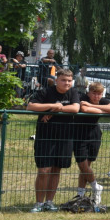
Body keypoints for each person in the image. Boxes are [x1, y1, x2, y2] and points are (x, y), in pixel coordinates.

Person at [27, 68, 81, 212]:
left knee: (56, 170)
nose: (66, 83)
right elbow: (31, 106)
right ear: (56, 80)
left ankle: (49, 202)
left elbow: (76, 108)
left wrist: (57, 110)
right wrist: (52, 106)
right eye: (63, 80)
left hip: (65, 137)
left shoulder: (74, 92)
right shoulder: (46, 92)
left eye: (69, 81)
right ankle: (39, 203)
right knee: (44, 170)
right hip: (45, 136)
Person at [74, 82, 110, 206]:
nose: (96, 97)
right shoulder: (82, 98)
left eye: (99, 94)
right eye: (94, 93)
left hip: (94, 134)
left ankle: (80, 194)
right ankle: (96, 186)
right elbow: (85, 108)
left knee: (87, 165)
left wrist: (97, 108)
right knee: (82, 164)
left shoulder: (102, 100)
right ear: (89, 92)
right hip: (79, 133)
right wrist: (101, 110)